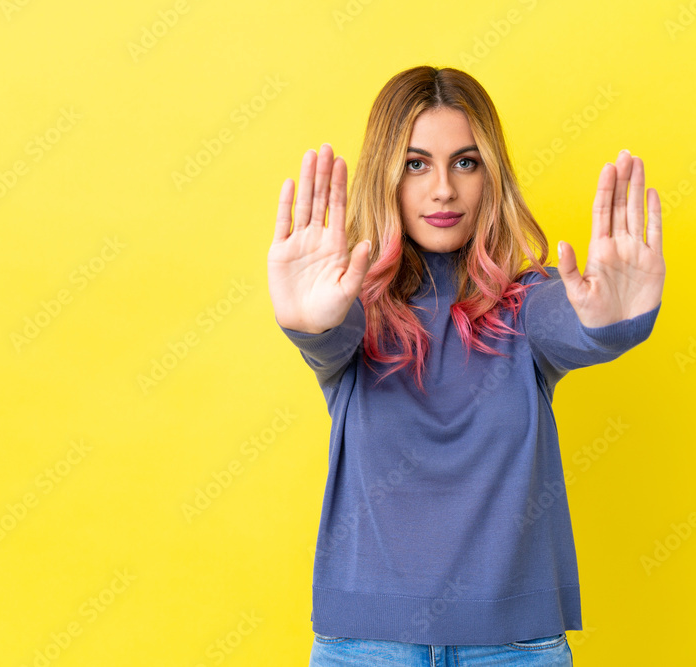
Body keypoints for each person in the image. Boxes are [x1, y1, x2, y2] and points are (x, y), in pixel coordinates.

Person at [267, 66, 665, 666]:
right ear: (385, 175)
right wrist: (309, 320)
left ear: (491, 175)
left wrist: (611, 320)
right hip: (366, 649)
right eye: (416, 164)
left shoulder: (528, 305)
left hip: (514, 650)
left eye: (466, 162)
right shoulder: (351, 311)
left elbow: (574, 323)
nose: (443, 190)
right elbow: (326, 335)